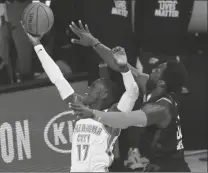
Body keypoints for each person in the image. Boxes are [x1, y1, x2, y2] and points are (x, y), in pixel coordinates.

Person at [69, 21, 191, 172]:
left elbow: (126, 119)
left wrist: (93, 114)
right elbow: (118, 64)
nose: (153, 69)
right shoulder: (151, 85)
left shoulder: (161, 108)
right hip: (158, 165)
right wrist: (94, 42)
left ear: (162, 82)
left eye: (158, 69)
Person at [21, 22, 139, 172]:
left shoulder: (113, 117)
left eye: (94, 87)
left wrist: (124, 68)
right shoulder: (81, 109)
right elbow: (58, 78)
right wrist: (37, 45)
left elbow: (132, 92)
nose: (89, 89)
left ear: (104, 94)